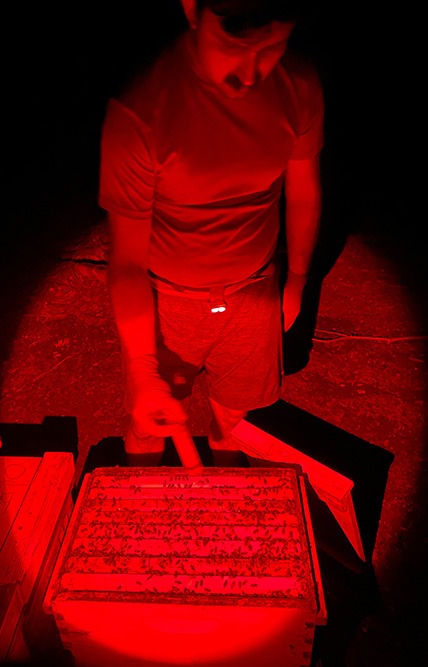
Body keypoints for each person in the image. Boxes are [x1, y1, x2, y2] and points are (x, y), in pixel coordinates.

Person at [98, 0, 324, 466]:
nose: (250, 73)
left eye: (272, 47)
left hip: (254, 290)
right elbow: (126, 261)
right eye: (233, 46)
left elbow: (303, 190)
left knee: (234, 423)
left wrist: (297, 280)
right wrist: (142, 369)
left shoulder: (298, 85)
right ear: (192, 10)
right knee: (151, 424)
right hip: (166, 300)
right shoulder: (142, 112)